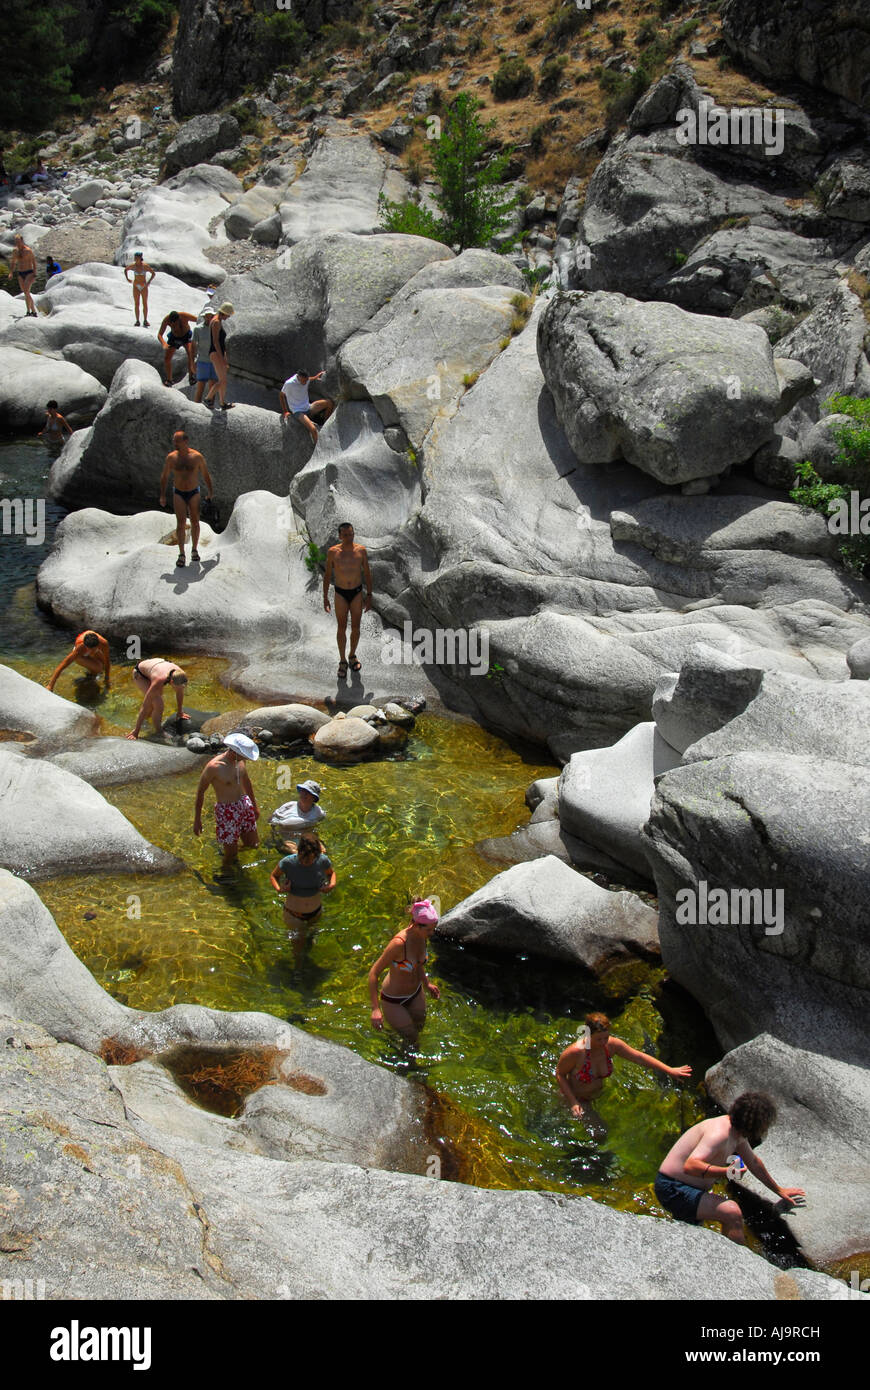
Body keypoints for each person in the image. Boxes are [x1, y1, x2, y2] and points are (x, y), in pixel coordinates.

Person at [654, 1092, 805, 1245]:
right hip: (672, 1187)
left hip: (687, 1188)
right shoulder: (719, 1134)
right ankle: (737, 1263)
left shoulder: (736, 1133)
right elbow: (691, 1165)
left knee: (690, 1236)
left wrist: (779, 1190)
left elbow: (754, 1162)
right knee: (732, 1212)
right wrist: (727, 1172)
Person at [556, 1011, 692, 1120]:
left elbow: (638, 1057)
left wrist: (669, 1070)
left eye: (606, 1037)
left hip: (598, 1095)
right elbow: (560, 1074)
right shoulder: (576, 1052)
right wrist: (573, 1102)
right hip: (574, 1099)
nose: (603, 1042)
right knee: (599, 1136)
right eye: (599, 1039)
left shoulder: (612, 1046)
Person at [369, 899, 441, 1043]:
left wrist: (427, 984)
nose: (432, 933)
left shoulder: (422, 936)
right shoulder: (398, 944)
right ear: (415, 925)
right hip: (393, 1000)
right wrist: (375, 1009)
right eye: (428, 930)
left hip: (415, 993)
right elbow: (373, 973)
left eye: (433, 929)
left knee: (419, 1027)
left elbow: (418, 964)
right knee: (412, 1038)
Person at [194, 732, 261, 868]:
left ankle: (233, 853)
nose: (246, 758)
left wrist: (254, 806)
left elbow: (247, 782)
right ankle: (225, 877)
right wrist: (197, 820)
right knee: (231, 855)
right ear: (236, 752)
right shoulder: (214, 767)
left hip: (244, 805)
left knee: (253, 845)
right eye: (244, 755)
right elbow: (201, 792)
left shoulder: (240, 762)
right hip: (227, 812)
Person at [270, 831, 336, 958]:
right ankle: (297, 971)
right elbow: (274, 875)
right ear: (298, 851)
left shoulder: (322, 861)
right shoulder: (288, 862)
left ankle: (304, 968)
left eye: (310, 859)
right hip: (294, 914)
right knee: (298, 948)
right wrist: (280, 889)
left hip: (315, 912)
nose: (305, 862)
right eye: (302, 858)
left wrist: (331, 885)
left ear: (316, 855)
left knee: (310, 941)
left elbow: (331, 873)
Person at [323, 522, 372, 678]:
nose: (349, 537)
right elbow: (327, 575)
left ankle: (352, 655)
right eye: (345, 535)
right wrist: (325, 597)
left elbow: (367, 574)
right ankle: (342, 661)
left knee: (356, 627)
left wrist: (369, 595)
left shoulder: (361, 551)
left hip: (357, 593)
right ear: (339, 536)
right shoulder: (333, 552)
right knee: (341, 627)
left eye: (351, 534)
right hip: (340, 593)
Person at [159, 430, 213, 567]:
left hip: (194, 492)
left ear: (185, 441)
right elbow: (164, 476)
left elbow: (206, 475)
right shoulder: (171, 458)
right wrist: (162, 495)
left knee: (195, 521)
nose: (175, 444)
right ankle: (182, 554)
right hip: (178, 492)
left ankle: (194, 550)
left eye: (177, 441)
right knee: (181, 523)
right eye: (174, 441)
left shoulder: (197, 457)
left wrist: (210, 492)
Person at [126, 658, 190, 739]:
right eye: (176, 687)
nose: (179, 689)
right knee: (158, 704)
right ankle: (159, 731)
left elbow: (179, 692)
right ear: (171, 682)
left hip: (155, 668)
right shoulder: (159, 680)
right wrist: (136, 731)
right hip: (140, 674)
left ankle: (146, 721)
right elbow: (145, 706)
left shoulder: (181, 674)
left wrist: (180, 712)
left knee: (154, 703)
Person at [279, 370, 334, 443]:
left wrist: (315, 377)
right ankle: (317, 451)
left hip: (308, 407)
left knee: (329, 403)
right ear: (299, 377)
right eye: (304, 381)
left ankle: (324, 425)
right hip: (298, 411)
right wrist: (285, 411)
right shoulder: (289, 383)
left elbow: (309, 379)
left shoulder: (306, 379)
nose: (305, 383)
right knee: (313, 430)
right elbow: (281, 395)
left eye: (306, 380)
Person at [269, 780, 325, 846]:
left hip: (306, 839)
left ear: (314, 797)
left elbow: (318, 827)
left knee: (323, 851)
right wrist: (276, 838)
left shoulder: (318, 812)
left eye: (308, 792)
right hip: (285, 839)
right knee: (293, 851)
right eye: (302, 790)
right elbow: (271, 822)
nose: (304, 794)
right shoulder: (288, 806)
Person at [158, 309, 198, 386]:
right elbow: (159, 334)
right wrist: (164, 343)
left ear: (179, 318)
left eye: (176, 323)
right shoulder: (166, 320)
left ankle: (191, 377)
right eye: (172, 324)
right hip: (174, 337)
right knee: (167, 359)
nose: (174, 325)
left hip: (186, 336)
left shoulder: (184, 316)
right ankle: (169, 380)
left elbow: (198, 320)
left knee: (191, 354)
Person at [208, 302, 234, 409]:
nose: (228, 317)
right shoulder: (216, 322)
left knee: (223, 380)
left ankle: (222, 403)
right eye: (228, 315)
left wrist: (224, 357)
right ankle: (208, 398)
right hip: (215, 353)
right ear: (224, 313)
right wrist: (222, 358)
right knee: (222, 380)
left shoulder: (217, 320)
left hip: (217, 353)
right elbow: (216, 342)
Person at [193, 311, 218, 405]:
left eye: (211, 316)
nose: (209, 318)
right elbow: (193, 346)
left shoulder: (216, 328)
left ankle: (210, 406)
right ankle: (196, 407)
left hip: (214, 361)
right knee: (201, 386)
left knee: (213, 386)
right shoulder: (198, 329)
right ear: (204, 317)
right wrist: (192, 362)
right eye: (207, 316)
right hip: (202, 361)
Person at [124, 251, 155, 327]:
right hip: (136, 286)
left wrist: (148, 282)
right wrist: (127, 278)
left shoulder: (145, 266)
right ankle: (137, 321)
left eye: (137, 257)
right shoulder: (133, 266)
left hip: (143, 286)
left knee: (144, 303)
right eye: (135, 257)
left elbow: (153, 273)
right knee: (137, 304)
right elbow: (126, 270)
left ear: (140, 258)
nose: (135, 259)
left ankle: (145, 320)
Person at [10, 235, 37, 316]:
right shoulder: (15, 251)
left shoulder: (28, 251)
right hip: (20, 273)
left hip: (29, 272)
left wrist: (35, 274)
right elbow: (13, 262)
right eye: (16, 241)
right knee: (26, 293)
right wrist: (11, 272)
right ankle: (34, 311)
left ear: (22, 241)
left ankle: (28, 311)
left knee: (26, 290)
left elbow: (34, 262)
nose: (17, 243)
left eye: (18, 241)